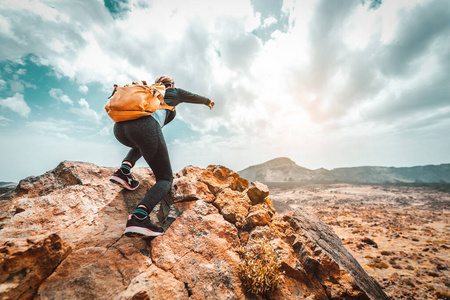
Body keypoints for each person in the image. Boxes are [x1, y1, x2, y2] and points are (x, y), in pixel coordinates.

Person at [110, 75, 215, 237]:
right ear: (171, 84)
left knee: (141, 143)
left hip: (120, 129)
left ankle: (124, 171)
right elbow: (194, 97)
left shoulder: (147, 92)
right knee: (165, 178)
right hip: (145, 127)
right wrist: (208, 101)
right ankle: (139, 218)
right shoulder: (174, 92)